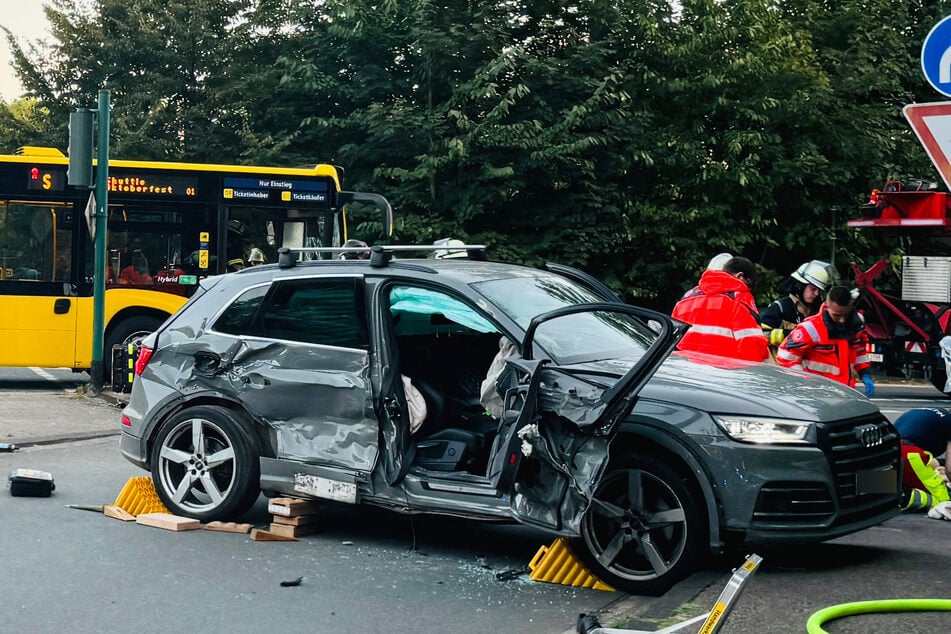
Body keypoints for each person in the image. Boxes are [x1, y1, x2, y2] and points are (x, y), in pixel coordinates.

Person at [776, 285, 874, 396]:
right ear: (827, 307)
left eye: (845, 315)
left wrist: (864, 373)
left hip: (845, 392)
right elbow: (785, 357)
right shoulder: (810, 328)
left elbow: (860, 351)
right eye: (836, 316)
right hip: (817, 394)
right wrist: (804, 381)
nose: (842, 321)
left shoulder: (855, 325)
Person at [671, 256, 769, 362]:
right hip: (721, 371)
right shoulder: (739, 298)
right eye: (749, 285)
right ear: (740, 276)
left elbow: (672, 335)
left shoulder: (688, 297)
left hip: (683, 367)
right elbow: (752, 346)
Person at [760, 260, 836, 347]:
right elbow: (762, 335)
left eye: (819, 290)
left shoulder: (816, 311)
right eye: (813, 289)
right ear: (799, 286)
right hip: (780, 359)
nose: (817, 294)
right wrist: (790, 335)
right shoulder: (780, 307)